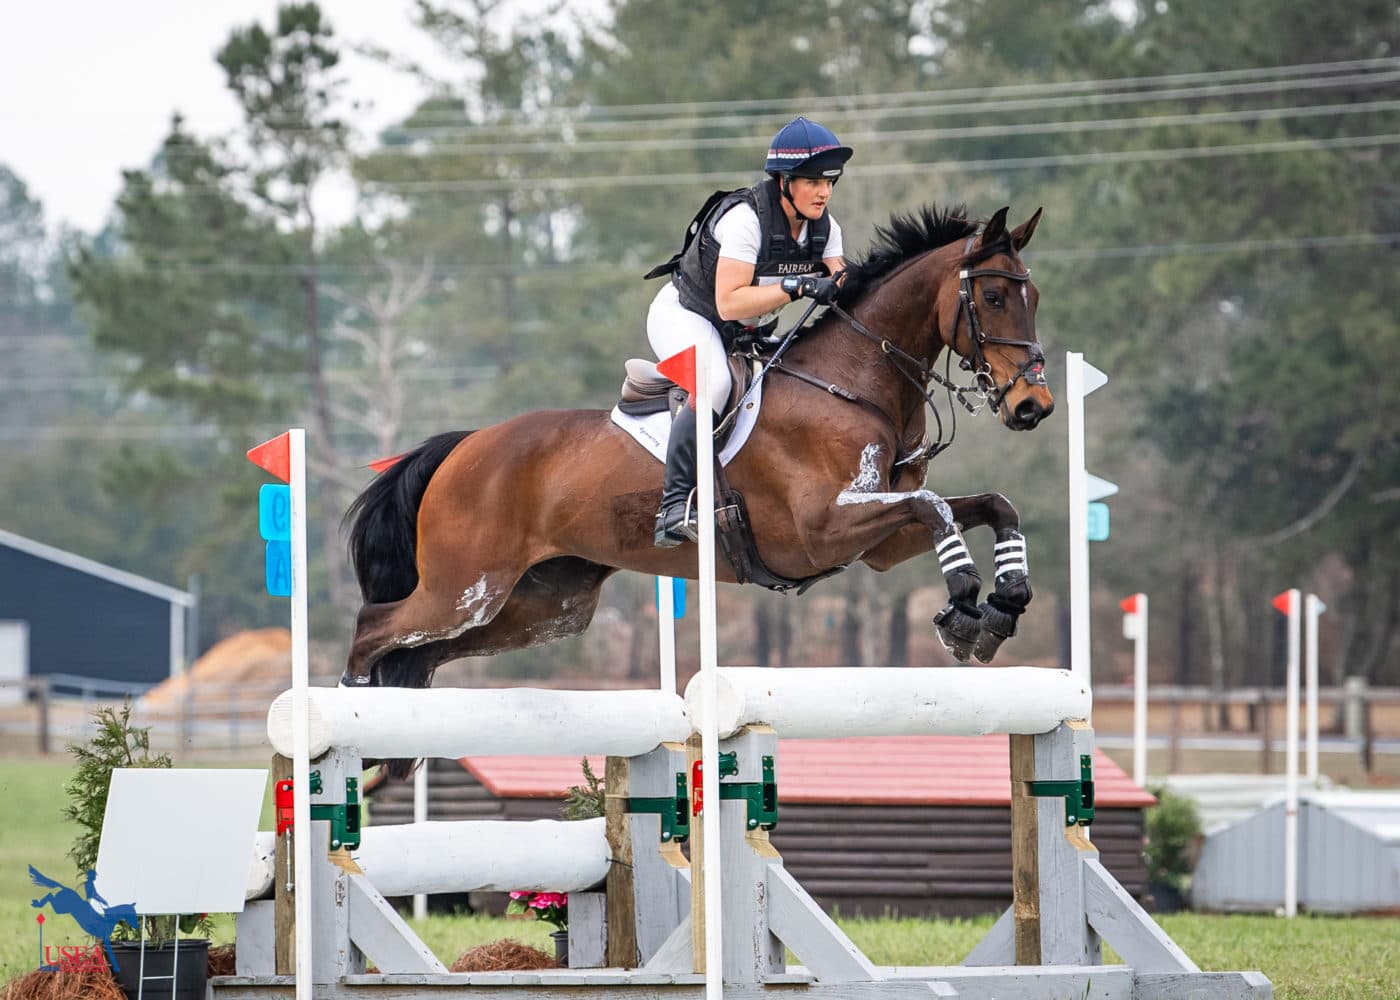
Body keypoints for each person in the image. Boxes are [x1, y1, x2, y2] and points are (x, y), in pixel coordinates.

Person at [645, 115, 852, 547]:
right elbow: (729, 302)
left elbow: (842, 287)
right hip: (688, 315)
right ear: (784, 182)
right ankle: (673, 506)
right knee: (715, 382)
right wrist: (795, 286)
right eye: (813, 181)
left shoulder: (827, 230)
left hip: (745, 333)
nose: (824, 191)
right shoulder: (745, 220)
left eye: (830, 180)